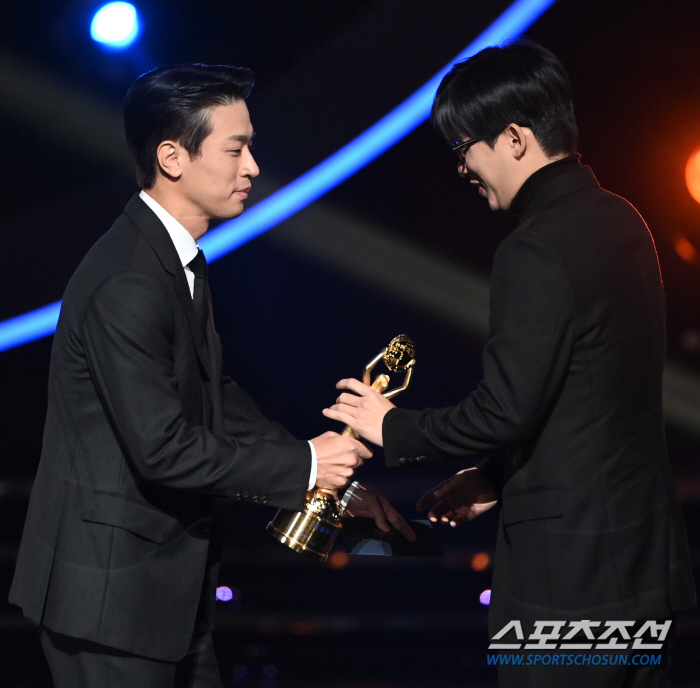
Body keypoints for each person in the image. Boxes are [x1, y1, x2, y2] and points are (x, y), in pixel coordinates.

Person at [9, 63, 412, 688]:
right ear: (173, 157)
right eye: (236, 148)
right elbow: (162, 447)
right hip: (110, 604)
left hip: (162, 595)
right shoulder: (128, 280)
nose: (252, 166)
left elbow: (214, 394)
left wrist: (319, 480)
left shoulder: (169, 261)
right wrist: (307, 465)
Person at [324, 42, 696, 687]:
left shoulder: (536, 247)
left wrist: (394, 427)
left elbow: (505, 408)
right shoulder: (623, 220)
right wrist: (494, 478)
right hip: (639, 564)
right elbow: (591, 400)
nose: (462, 167)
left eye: (466, 145)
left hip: (567, 579)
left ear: (516, 138)